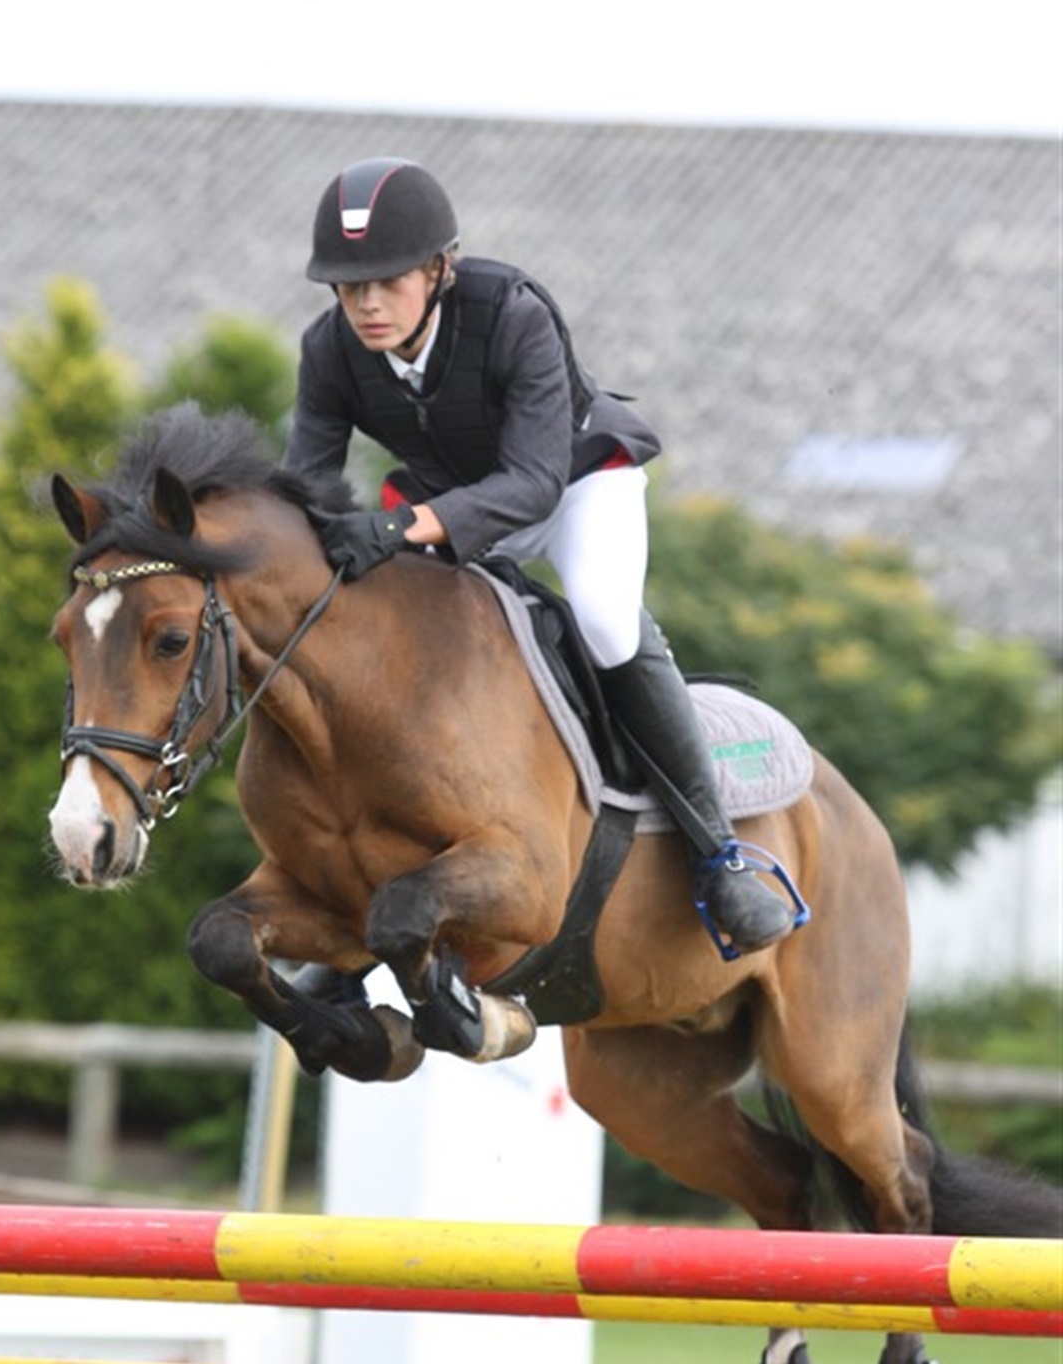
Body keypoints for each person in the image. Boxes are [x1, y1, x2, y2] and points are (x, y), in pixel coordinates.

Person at [283, 156, 797, 957]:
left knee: (602, 618)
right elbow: (306, 484)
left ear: (439, 269)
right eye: (350, 288)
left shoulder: (511, 313)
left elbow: (531, 482)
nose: (367, 305)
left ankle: (719, 854)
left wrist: (399, 527)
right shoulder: (329, 350)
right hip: (451, 503)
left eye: (387, 282)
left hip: (576, 484)